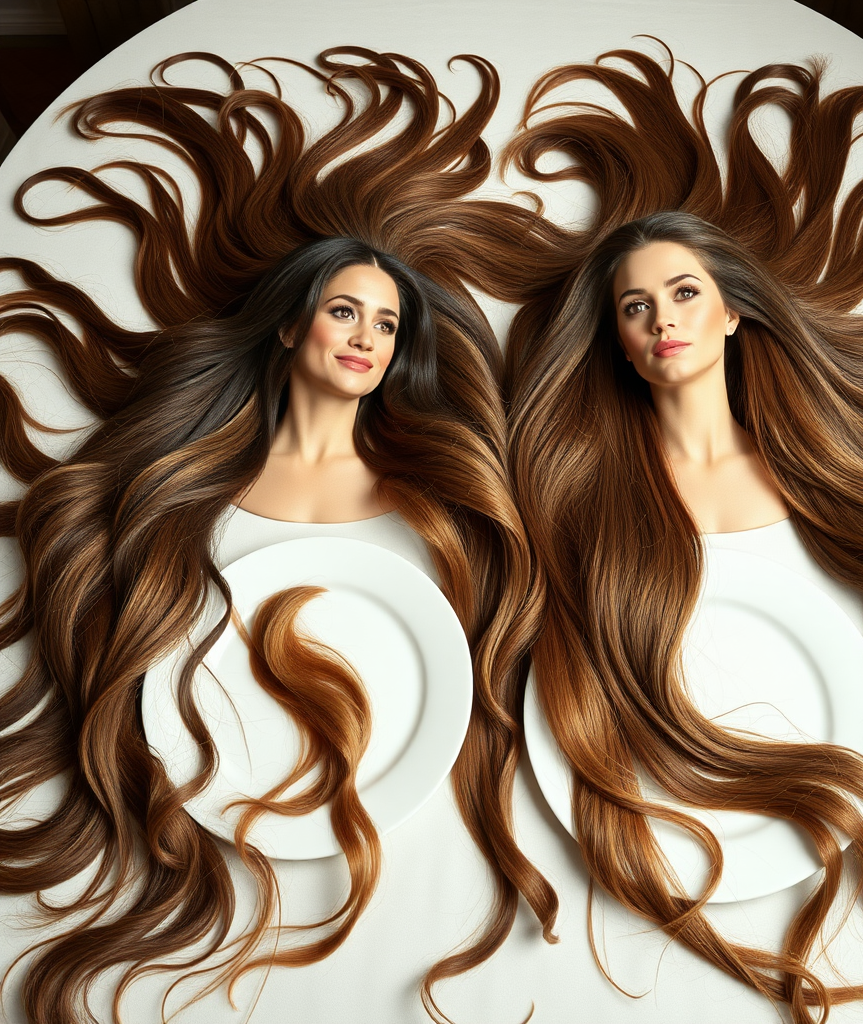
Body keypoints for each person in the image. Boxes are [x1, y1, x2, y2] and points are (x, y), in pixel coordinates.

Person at [447, 44, 863, 1024]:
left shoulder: (814, 468)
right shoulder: (584, 493)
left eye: (680, 295)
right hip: (651, 847)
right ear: (616, 343)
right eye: (634, 308)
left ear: (730, 314)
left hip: (822, 821)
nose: (659, 320)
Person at [0, 47, 551, 1024]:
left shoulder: (435, 498)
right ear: (290, 326)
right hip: (209, 821)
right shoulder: (185, 482)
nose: (365, 338)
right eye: (345, 309)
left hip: (403, 842)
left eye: (385, 325)